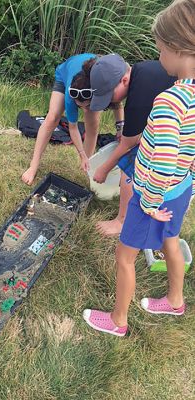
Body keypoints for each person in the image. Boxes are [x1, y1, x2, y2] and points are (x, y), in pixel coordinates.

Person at [83, 0, 195, 337]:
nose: (158, 55)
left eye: (160, 48)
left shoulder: (169, 100)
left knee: (125, 256)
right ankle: (176, 301)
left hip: (154, 196)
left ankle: (118, 321)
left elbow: (161, 160)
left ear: (176, 47)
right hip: (181, 188)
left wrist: (147, 203)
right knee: (171, 241)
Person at [88, 53, 176, 236]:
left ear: (124, 79)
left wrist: (104, 169)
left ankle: (122, 221)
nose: (111, 101)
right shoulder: (142, 70)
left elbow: (129, 143)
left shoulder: (137, 95)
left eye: (110, 95)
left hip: (183, 129)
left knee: (129, 163)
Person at [21, 53, 124, 185]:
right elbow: (73, 127)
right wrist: (81, 153)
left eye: (86, 107)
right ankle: (33, 166)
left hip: (91, 80)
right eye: (80, 107)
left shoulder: (102, 85)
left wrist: (120, 128)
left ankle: (86, 167)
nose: (84, 110)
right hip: (65, 75)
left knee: (93, 125)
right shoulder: (71, 97)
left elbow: (117, 104)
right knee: (52, 118)